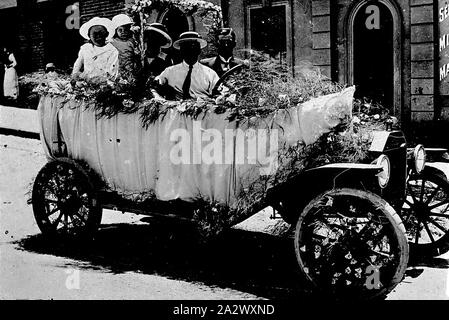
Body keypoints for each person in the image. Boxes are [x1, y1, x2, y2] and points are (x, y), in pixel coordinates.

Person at [155, 31, 219, 100]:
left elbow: (220, 94)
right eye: (186, 48)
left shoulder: (210, 74)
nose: (190, 51)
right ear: (181, 51)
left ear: (199, 50)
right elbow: (154, 86)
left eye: (194, 47)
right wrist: (160, 99)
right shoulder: (169, 72)